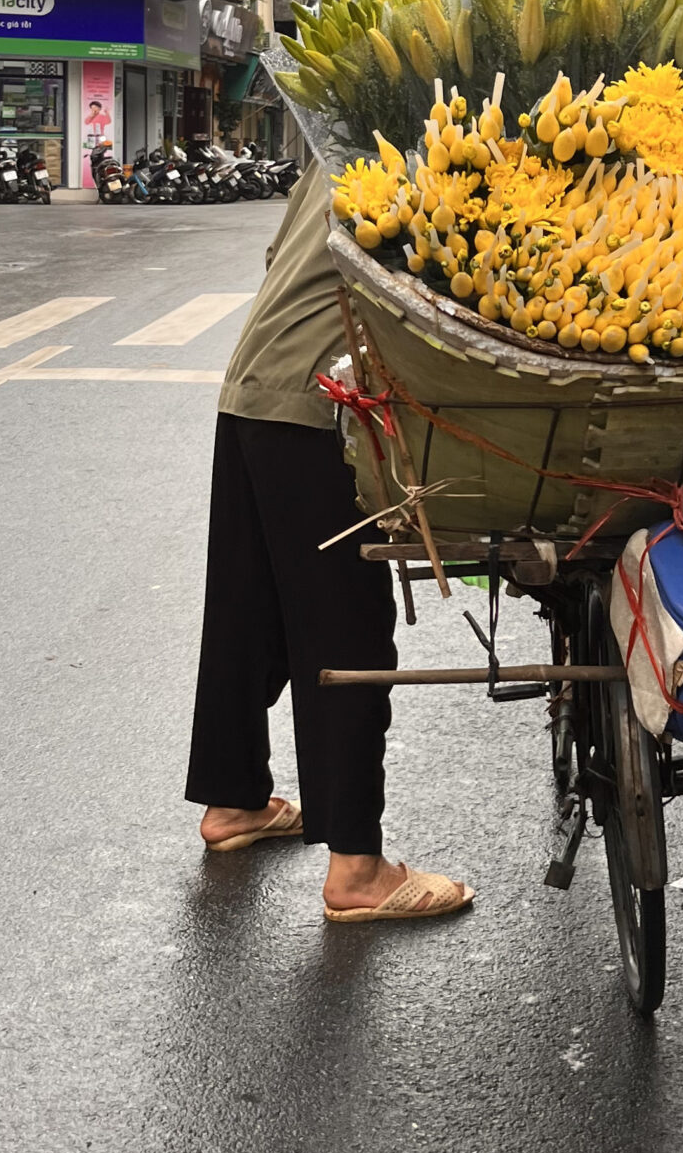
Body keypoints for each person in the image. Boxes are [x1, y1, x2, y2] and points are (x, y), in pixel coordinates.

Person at [185, 166, 473, 924]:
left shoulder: (340, 139)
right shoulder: (432, 127)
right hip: (322, 407)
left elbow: (281, 254)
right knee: (344, 632)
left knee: (250, 613)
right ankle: (357, 869)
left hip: (253, 386)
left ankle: (235, 800)